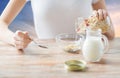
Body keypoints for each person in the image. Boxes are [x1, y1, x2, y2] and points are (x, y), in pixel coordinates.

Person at [0, 0, 114, 50]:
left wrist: (102, 23)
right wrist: (14, 39)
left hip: (86, 59)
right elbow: (1, 23)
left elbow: (111, 33)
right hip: (46, 60)